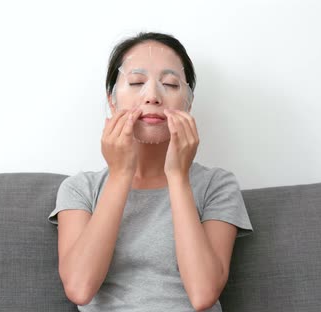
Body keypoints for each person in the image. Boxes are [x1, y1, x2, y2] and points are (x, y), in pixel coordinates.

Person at [47, 32, 253, 312]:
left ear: (188, 103)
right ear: (112, 100)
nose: (153, 96)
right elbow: (80, 288)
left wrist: (178, 178)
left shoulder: (217, 185)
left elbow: (203, 294)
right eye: (136, 82)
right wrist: (120, 175)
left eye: (169, 84)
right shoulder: (80, 189)